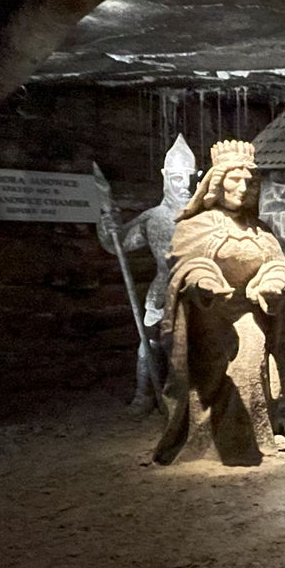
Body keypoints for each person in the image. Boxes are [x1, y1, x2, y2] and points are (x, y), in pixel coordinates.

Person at [153, 139, 285, 465]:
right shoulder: (194, 226)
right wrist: (202, 280)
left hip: (248, 312)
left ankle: (250, 442)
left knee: (251, 354)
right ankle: (208, 443)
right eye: (234, 178)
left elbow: (278, 264)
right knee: (215, 368)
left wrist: (272, 282)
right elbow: (182, 265)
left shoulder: (260, 230)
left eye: (249, 180)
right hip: (206, 316)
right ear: (216, 182)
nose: (243, 187)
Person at [96, 134, 195, 411]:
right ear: (165, 177)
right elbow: (119, 245)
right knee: (150, 344)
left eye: (189, 178)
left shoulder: (203, 216)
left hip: (198, 288)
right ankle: (145, 393)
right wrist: (109, 223)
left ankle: (190, 396)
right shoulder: (153, 218)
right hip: (163, 290)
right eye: (177, 178)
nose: (185, 186)